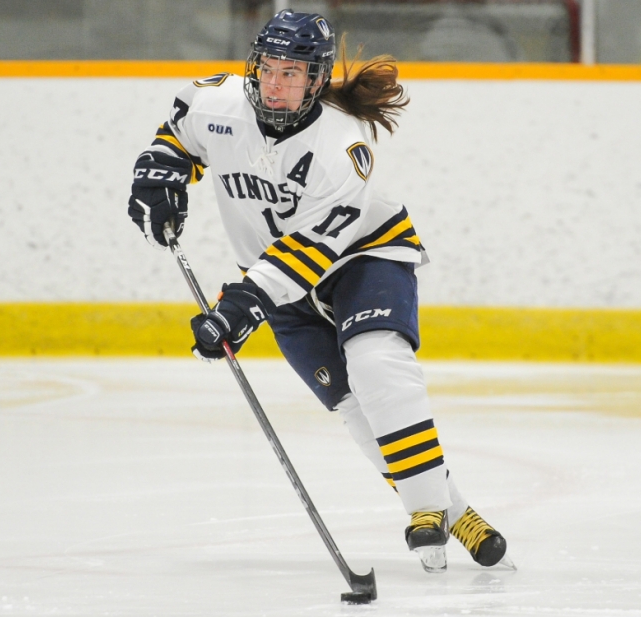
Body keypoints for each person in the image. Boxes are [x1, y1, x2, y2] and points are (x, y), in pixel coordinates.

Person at [128, 9, 508, 573]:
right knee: (355, 408)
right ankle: (454, 512)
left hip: (362, 256)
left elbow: (310, 251)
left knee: (377, 365)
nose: (275, 84)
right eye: (268, 69)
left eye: (293, 73)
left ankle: (424, 507)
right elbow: (177, 138)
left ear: (315, 79)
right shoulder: (216, 103)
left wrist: (239, 308)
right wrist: (157, 174)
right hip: (276, 282)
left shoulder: (343, 147)